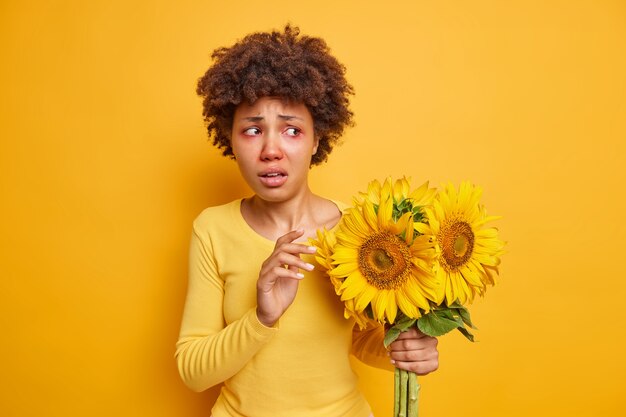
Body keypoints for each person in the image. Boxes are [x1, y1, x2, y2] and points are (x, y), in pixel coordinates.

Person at [175, 25, 439, 417]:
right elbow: (193, 372)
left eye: (292, 130)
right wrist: (262, 317)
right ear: (229, 138)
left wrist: (410, 347)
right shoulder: (212, 229)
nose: (271, 150)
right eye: (252, 130)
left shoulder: (360, 229)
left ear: (317, 139)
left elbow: (363, 340)